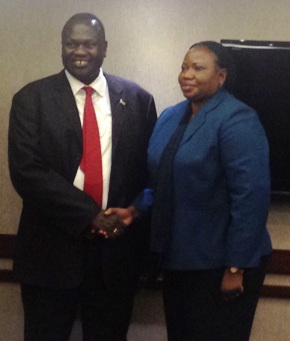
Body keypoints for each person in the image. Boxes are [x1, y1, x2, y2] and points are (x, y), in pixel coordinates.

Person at [107, 41, 272, 341]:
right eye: (184, 67)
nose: (187, 74)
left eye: (198, 68)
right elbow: (161, 182)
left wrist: (236, 267)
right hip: (178, 259)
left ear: (220, 77)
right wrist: (134, 210)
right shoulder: (171, 116)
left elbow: (251, 197)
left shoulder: (238, 119)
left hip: (222, 263)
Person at [8, 12, 157, 341]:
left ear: (104, 48)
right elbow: (27, 172)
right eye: (70, 43)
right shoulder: (31, 100)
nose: (79, 51)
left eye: (88, 44)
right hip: (49, 254)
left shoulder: (138, 101)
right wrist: (90, 215)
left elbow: (151, 175)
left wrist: (134, 210)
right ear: (61, 47)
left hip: (115, 258)